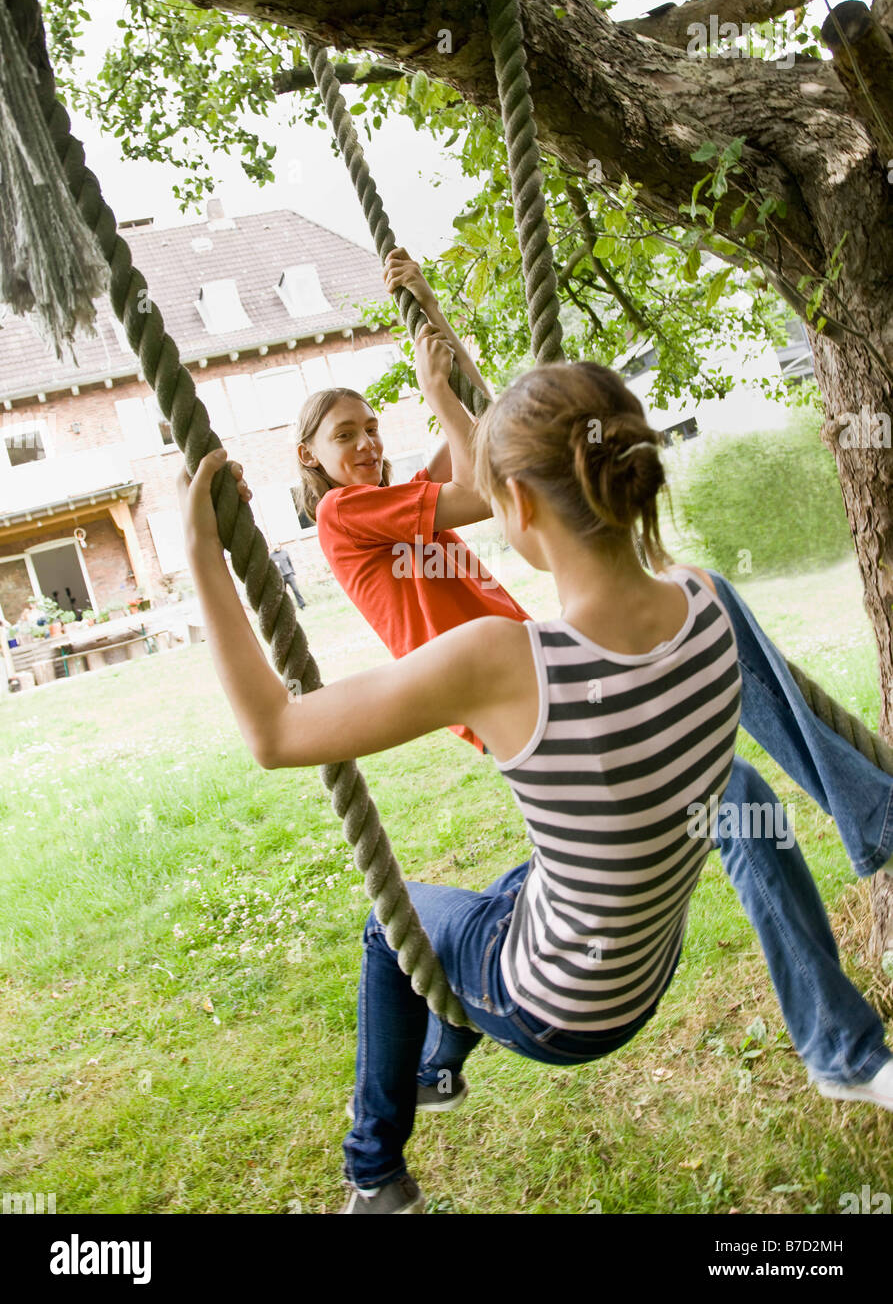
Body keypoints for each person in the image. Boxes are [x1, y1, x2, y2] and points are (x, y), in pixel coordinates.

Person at [178, 351, 893, 1216]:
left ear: (515, 504)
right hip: (641, 971)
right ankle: (444, 1060)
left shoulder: (492, 657)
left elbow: (275, 733)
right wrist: (446, 388)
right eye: (347, 434)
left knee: (390, 926)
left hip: (557, 998)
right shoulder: (709, 599)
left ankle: (375, 1175)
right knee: (701, 802)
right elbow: (482, 469)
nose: (366, 444)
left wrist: (203, 554)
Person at [270, 543, 307, 611]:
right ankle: (286, 608)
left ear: (280, 545)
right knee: (283, 594)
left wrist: (292, 571)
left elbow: (289, 562)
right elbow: (272, 568)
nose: (277, 547)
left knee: (296, 590)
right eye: (275, 546)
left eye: (278, 545)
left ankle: (302, 605)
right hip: (281, 577)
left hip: (289, 574)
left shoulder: (284, 552)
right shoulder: (271, 556)